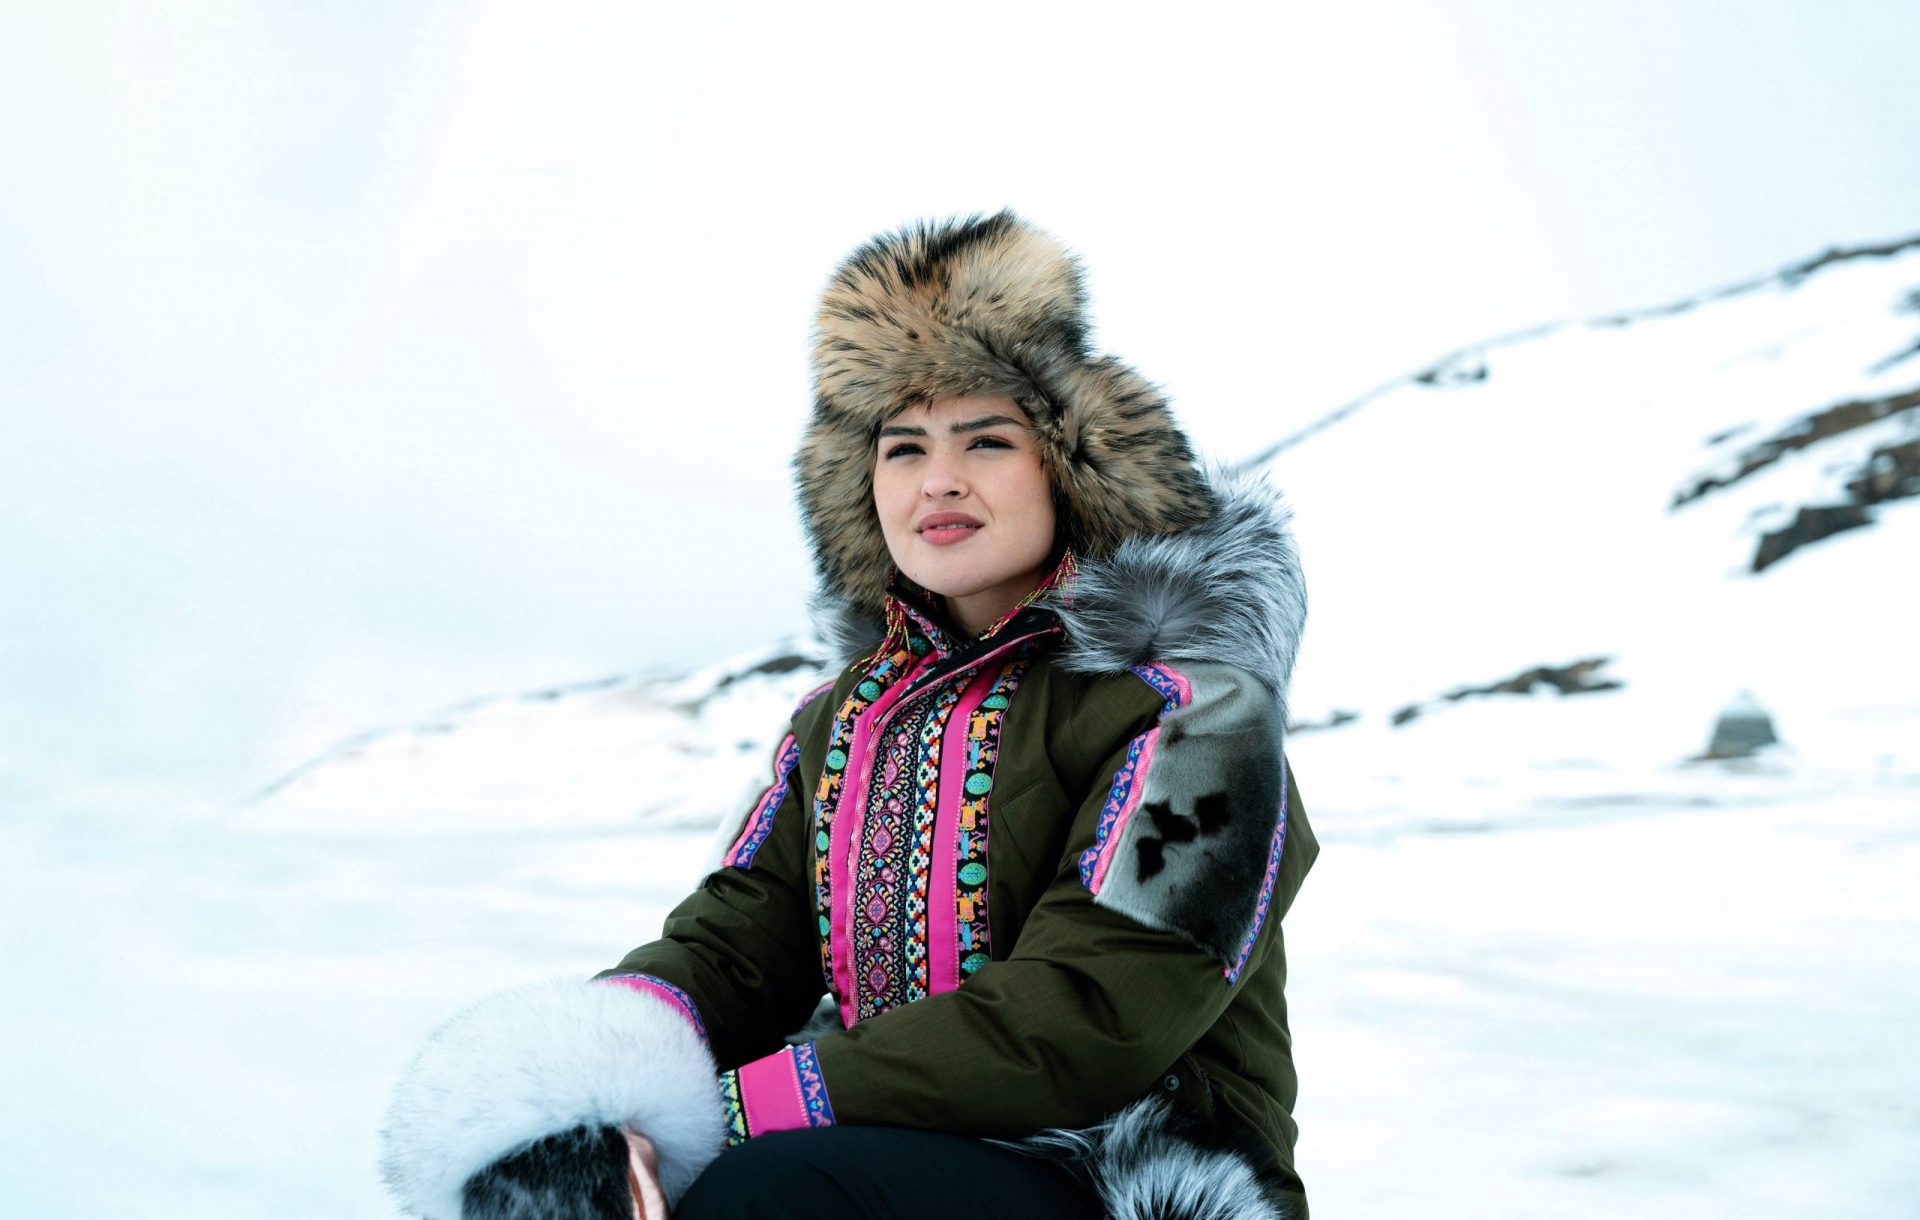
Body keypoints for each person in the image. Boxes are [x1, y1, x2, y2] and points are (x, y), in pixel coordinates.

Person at [379, 211, 1317, 1219]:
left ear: (1070, 467)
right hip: (885, 1149)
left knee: (774, 1194)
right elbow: (741, 937)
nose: (939, 479)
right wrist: (604, 1086)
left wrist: (743, 1103)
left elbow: (1090, 1013)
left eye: (988, 440)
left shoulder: (1194, 712)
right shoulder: (842, 721)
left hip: (1129, 1170)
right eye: (903, 447)